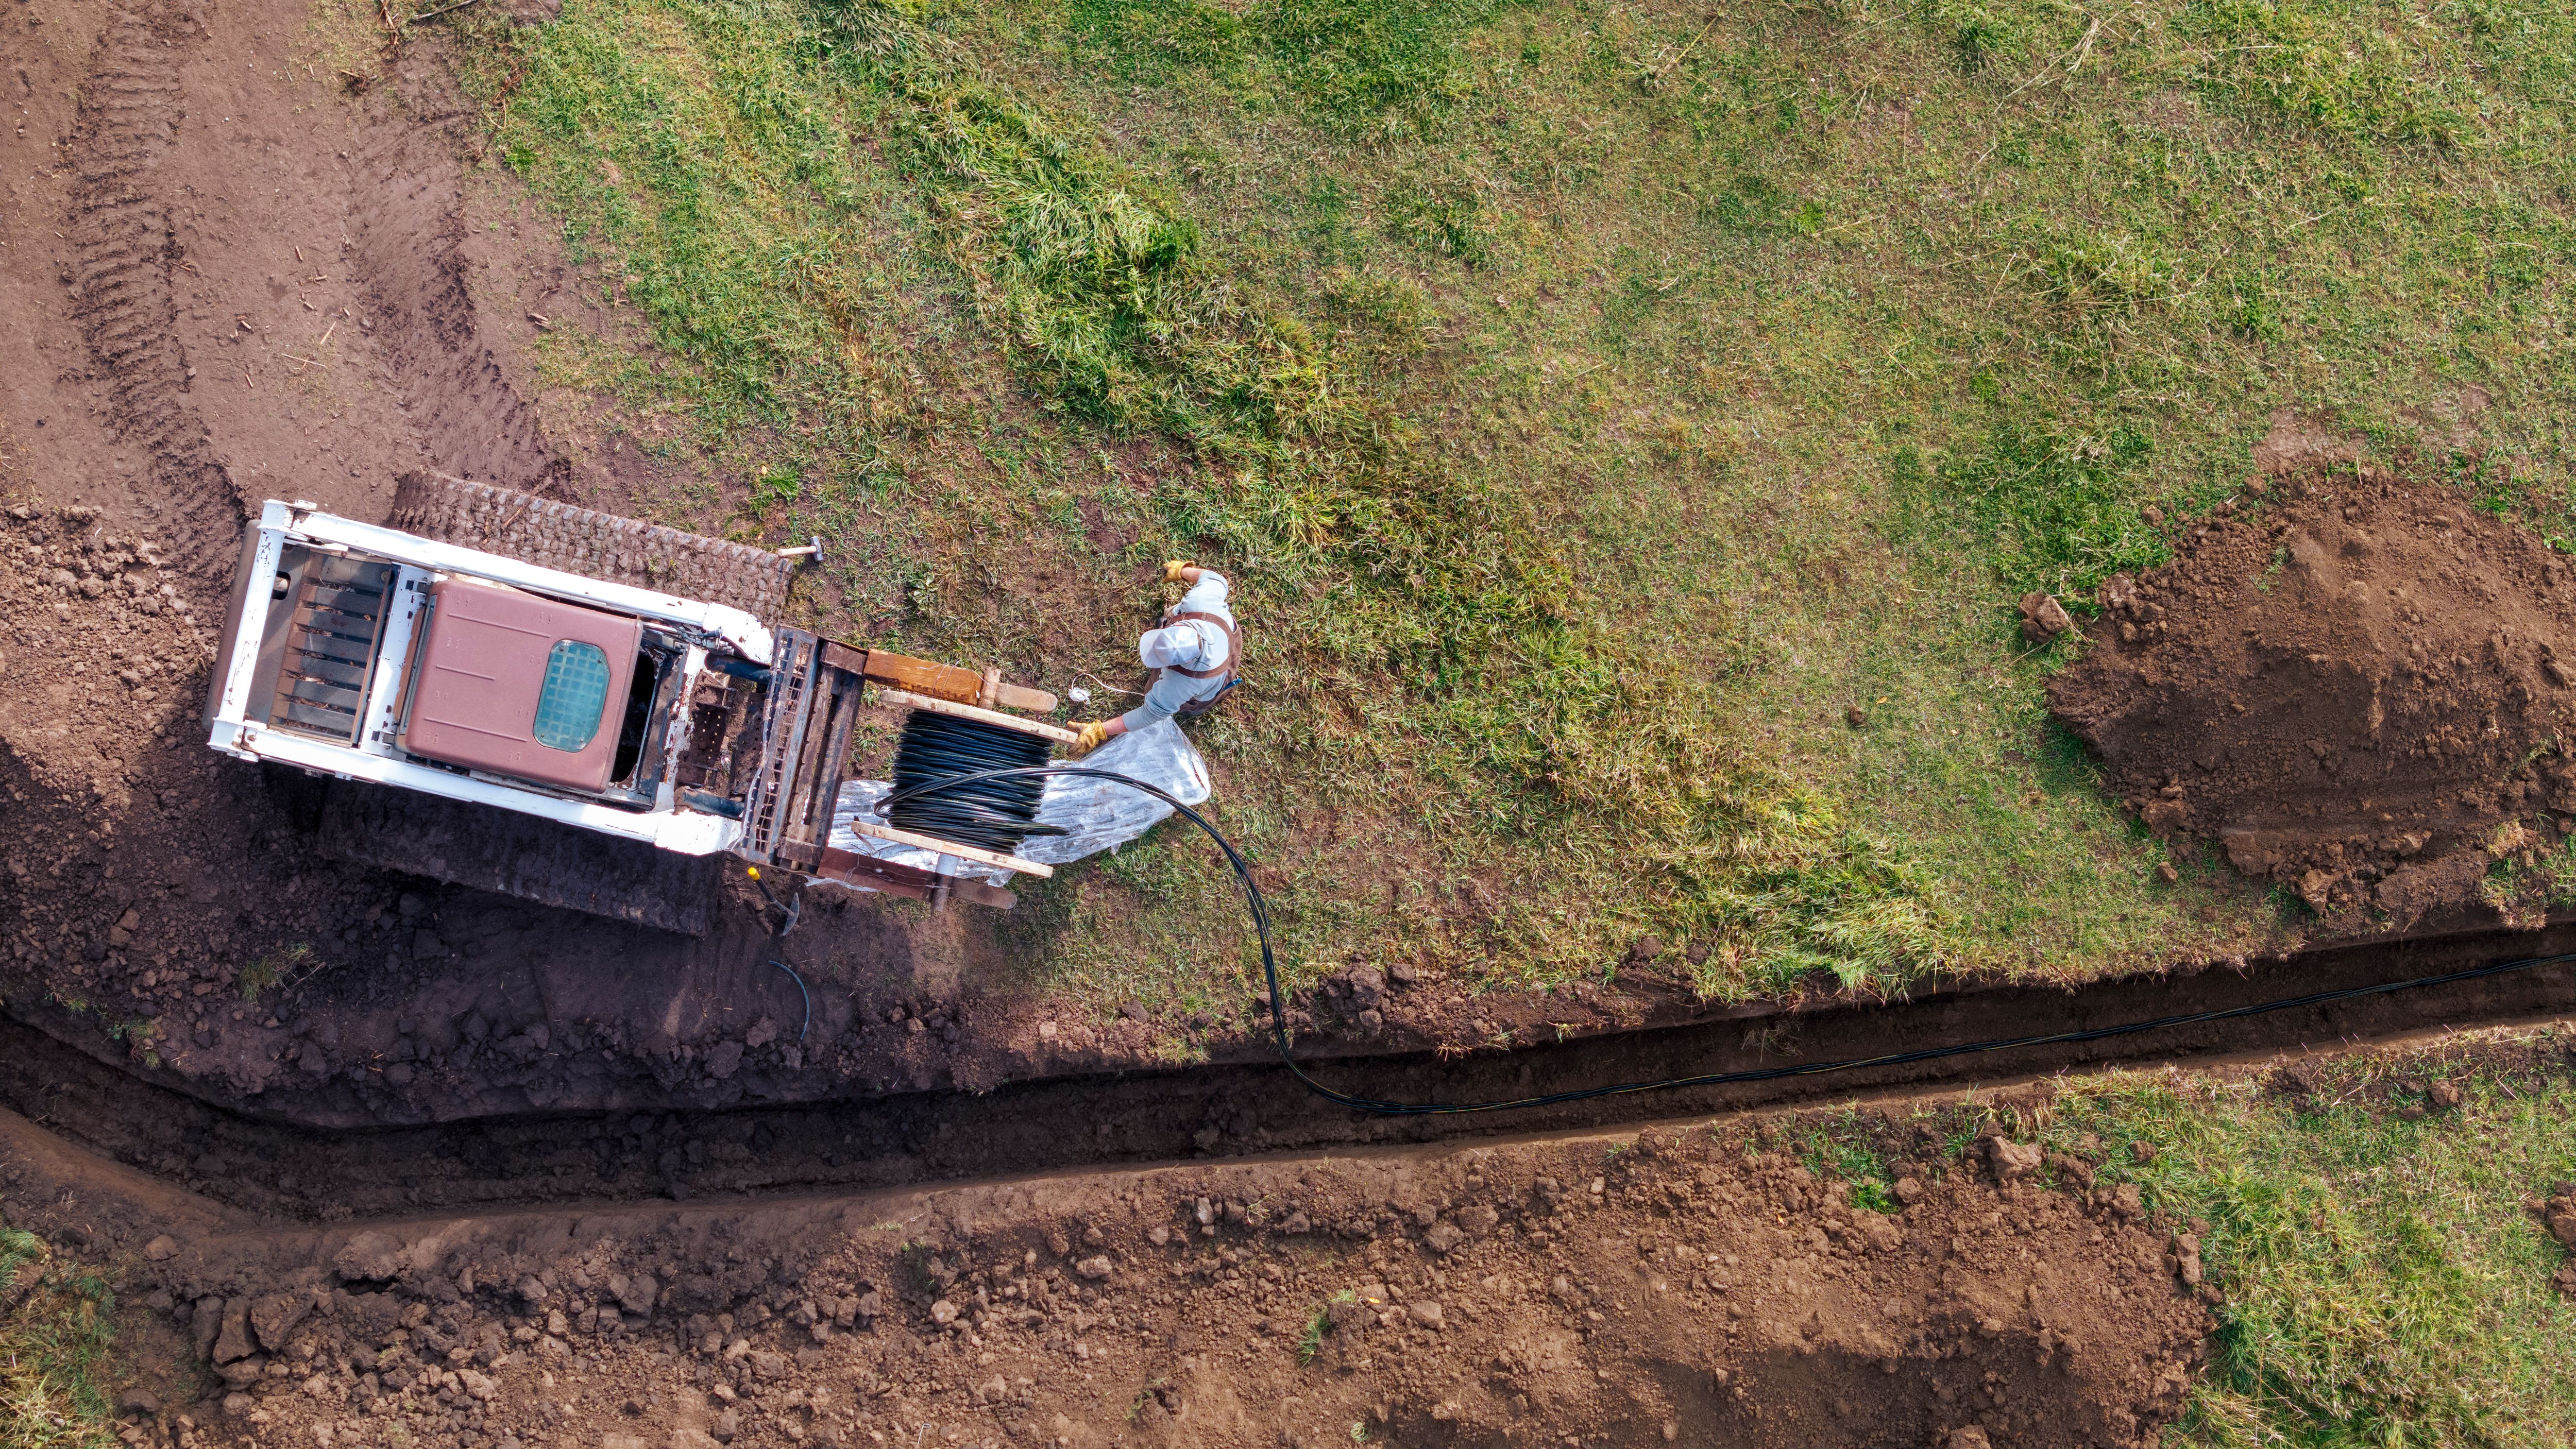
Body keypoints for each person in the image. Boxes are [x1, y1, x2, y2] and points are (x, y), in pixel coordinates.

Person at [1073, 559, 1241, 754]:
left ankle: (1198, 708)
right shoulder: (1201, 602)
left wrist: (1100, 730)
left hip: (1211, 684)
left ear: (1180, 665)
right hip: (1229, 637)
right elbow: (1215, 579)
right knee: (1172, 612)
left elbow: (1150, 714)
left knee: (1153, 692)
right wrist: (1182, 571)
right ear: (1180, 625)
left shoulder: (1180, 684)